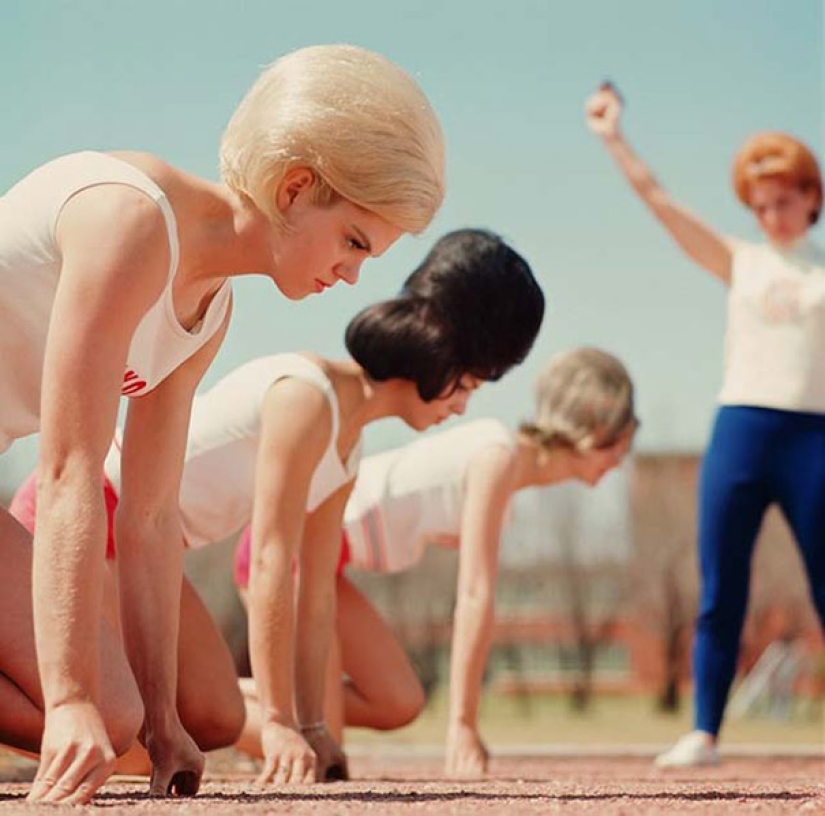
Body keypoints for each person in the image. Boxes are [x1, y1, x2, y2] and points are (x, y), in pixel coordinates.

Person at [0, 43, 444, 804]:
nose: (353, 276)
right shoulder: (130, 219)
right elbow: (72, 467)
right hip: (59, 480)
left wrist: (166, 720)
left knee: (171, 718)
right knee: (102, 715)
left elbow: (146, 516)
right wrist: (69, 700)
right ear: (296, 186)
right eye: (353, 241)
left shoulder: (209, 312)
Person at [12, 228, 545, 785]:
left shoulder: (348, 446)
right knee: (133, 742)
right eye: (468, 387)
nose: (462, 408)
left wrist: (311, 724)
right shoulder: (306, 396)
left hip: (144, 550)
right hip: (82, 522)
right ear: (437, 357)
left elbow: (312, 594)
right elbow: (268, 562)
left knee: (216, 719)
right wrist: (277, 721)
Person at [235, 346, 637, 778]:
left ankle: (250, 698)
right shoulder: (495, 456)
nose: (619, 461)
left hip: (324, 569)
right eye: (619, 445)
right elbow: (474, 594)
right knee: (320, 759)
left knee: (399, 702)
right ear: (594, 428)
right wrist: (462, 725)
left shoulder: (504, 481)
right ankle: (209, 703)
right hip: (290, 553)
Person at [585, 81, 825, 767]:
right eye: (758, 205)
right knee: (721, 585)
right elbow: (658, 202)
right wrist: (611, 135)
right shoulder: (739, 260)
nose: (770, 215)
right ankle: (704, 732)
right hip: (741, 432)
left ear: (811, 197)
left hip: (812, 438)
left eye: (783, 201)